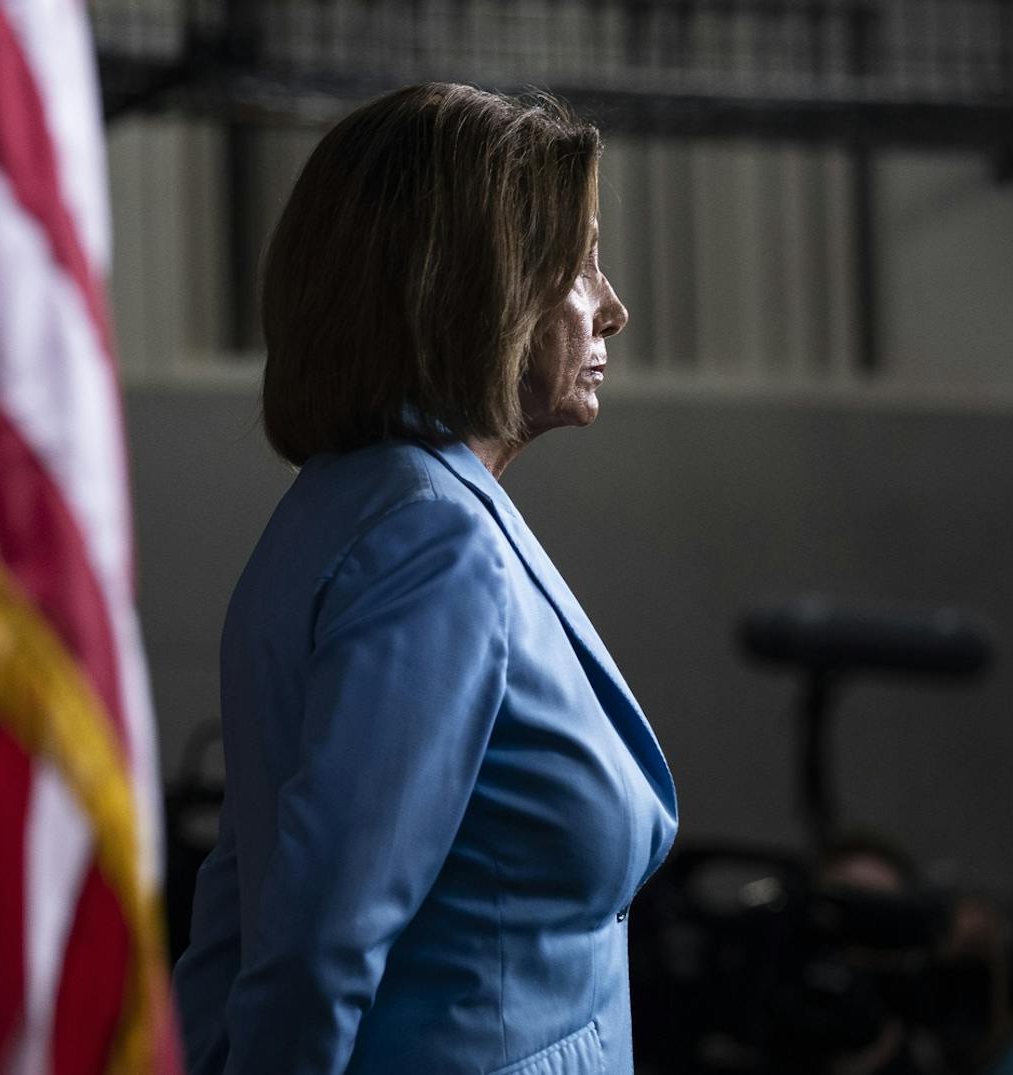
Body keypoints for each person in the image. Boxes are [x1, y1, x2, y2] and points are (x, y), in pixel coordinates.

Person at [171, 83, 676, 1074]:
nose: (612, 308)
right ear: (477, 288)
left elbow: (235, 923)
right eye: (578, 265)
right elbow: (314, 951)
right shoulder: (430, 547)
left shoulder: (345, 509)